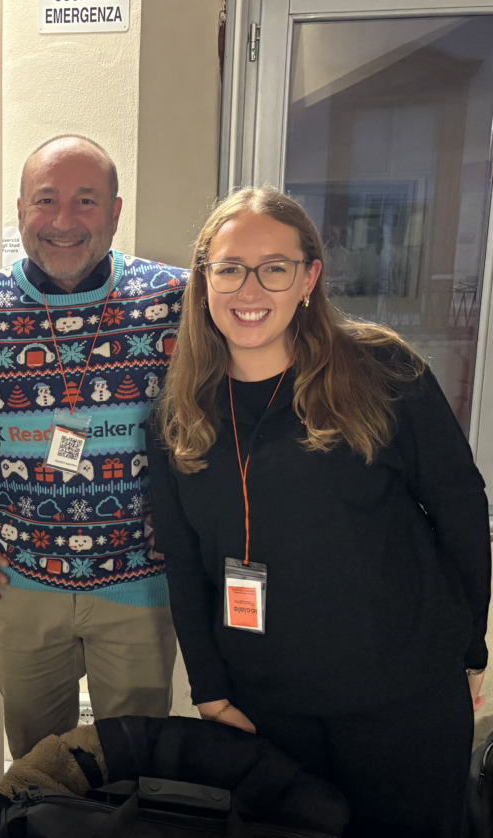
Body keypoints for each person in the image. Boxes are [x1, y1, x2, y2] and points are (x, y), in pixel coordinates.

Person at [146, 186, 489, 836]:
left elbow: (461, 508)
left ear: (309, 277)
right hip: (267, 709)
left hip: (402, 699)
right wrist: (210, 689)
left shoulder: (379, 369)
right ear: (203, 281)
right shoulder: (178, 412)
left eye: (273, 267)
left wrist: (467, 646)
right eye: (228, 268)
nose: (250, 289)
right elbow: (184, 562)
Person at [0, 135, 186, 759]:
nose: (65, 221)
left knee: (136, 770)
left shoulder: (175, 302)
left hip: (142, 587)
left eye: (86, 201)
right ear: (20, 209)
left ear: (117, 210)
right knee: (37, 775)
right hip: (19, 590)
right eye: (46, 200)